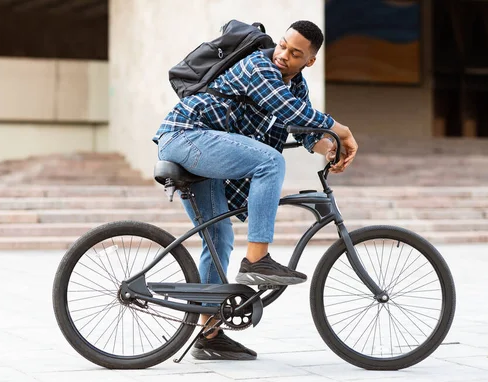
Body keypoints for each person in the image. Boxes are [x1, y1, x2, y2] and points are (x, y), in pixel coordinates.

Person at [152, 20, 358, 360]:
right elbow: (288, 109)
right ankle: (257, 260)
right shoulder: (257, 65)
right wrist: (343, 129)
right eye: (282, 45)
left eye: (295, 54)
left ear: (310, 61)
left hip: (208, 149)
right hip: (186, 136)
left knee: (218, 238)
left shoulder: (298, 88)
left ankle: (209, 334)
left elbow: (305, 130)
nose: (283, 56)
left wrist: (332, 148)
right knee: (271, 162)